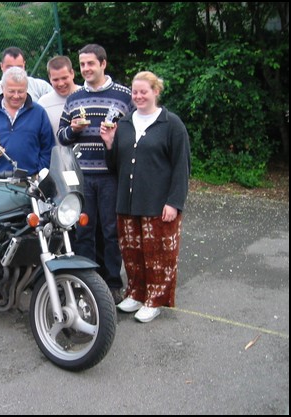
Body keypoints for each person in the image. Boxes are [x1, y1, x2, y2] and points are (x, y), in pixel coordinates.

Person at [100, 71, 191, 323]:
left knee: (158, 255)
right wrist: (109, 144)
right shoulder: (126, 123)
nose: (138, 96)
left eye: (144, 91)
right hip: (128, 203)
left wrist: (174, 202)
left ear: (156, 92)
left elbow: (182, 167)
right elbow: (115, 167)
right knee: (132, 253)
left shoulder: (171, 124)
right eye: (135, 92)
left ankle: (155, 300)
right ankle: (137, 294)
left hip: (158, 203)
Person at [57, 44, 134, 304]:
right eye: (82, 65)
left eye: (91, 63)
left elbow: (135, 133)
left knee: (112, 232)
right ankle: (87, 282)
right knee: (84, 231)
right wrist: (74, 130)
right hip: (82, 177)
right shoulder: (74, 97)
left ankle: (113, 283)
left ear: (103, 64)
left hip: (111, 175)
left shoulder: (124, 95)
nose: (86, 69)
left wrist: (115, 137)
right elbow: (61, 137)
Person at [0, 66, 54, 176]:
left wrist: (39, 173)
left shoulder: (39, 113)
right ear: (2, 88)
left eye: (21, 91)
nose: (16, 96)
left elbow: (48, 149)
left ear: (27, 88)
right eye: (11, 91)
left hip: (30, 182)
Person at [0, 46, 53, 130]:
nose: (14, 71)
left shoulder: (41, 87)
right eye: (9, 67)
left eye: (19, 67)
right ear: (1, 66)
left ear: (24, 65)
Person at [37, 55, 81, 141]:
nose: (61, 83)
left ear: (72, 73)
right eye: (56, 80)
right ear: (50, 78)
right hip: (57, 153)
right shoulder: (43, 103)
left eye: (64, 78)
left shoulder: (86, 96)